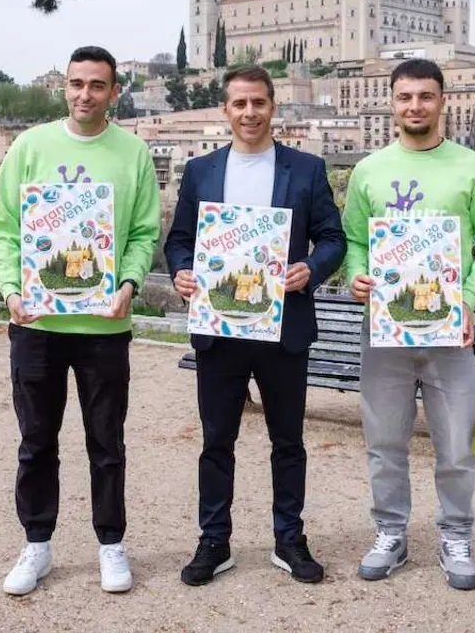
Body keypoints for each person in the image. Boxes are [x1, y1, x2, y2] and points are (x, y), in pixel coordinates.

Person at [0, 45, 160, 596]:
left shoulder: (133, 153)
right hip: (36, 326)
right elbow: (5, 231)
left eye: (97, 85)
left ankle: (111, 545)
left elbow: (142, 233)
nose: (85, 93)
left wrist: (129, 284)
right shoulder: (30, 147)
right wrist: (12, 290)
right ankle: (36, 546)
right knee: (36, 441)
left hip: (104, 329)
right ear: (65, 87)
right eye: (76, 83)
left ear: (114, 92)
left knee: (106, 442)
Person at [164, 65, 347, 586]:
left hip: (283, 327)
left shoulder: (307, 169)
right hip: (219, 328)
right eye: (239, 104)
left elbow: (333, 238)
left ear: (274, 108)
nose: (249, 113)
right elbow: (179, 238)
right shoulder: (200, 171)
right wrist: (181, 270)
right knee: (216, 441)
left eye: (258, 103)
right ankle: (213, 540)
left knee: (287, 441)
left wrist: (312, 269)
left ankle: (289, 539)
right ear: (225, 110)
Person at [340, 57, 475, 590]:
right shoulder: (369, 170)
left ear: (443, 101)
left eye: (425, 96)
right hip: (384, 333)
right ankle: (390, 534)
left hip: (451, 333)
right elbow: (354, 244)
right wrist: (357, 276)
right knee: (383, 443)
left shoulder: (473, 168)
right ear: (392, 103)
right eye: (405, 97)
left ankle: (456, 536)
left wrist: (465, 298)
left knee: (456, 447)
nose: (415, 106)